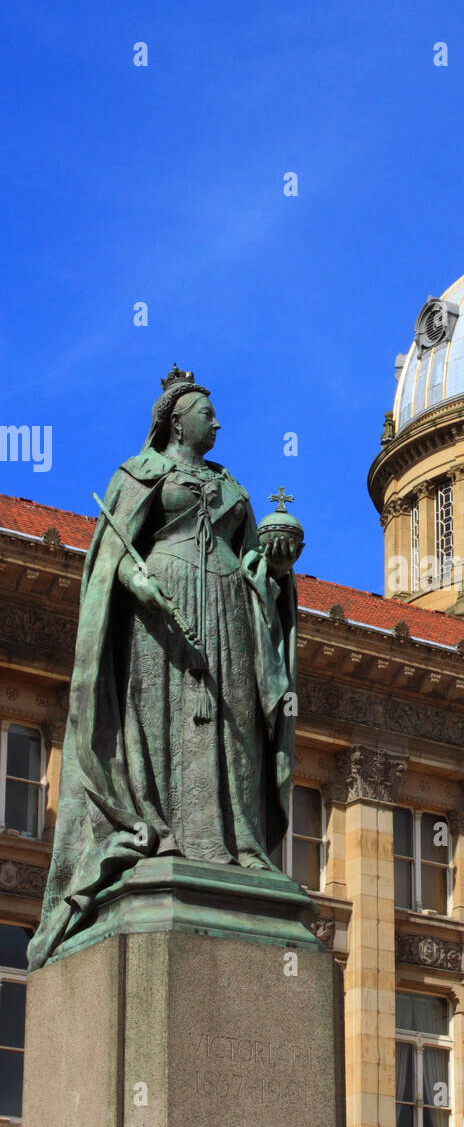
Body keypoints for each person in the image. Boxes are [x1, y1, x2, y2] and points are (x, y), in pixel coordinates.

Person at [28, 366, 300, 969]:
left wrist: (277, 569)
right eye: (207, 413)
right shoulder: (139, 474)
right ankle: (163, 831)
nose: (217, 421)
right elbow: (109, 557)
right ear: (179, 420)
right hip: (161, 614)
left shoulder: (232, 486)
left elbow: (257, 561)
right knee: (163, 719)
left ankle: (238, 845)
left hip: (229, 615)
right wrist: (137, 581)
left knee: (233, 725)